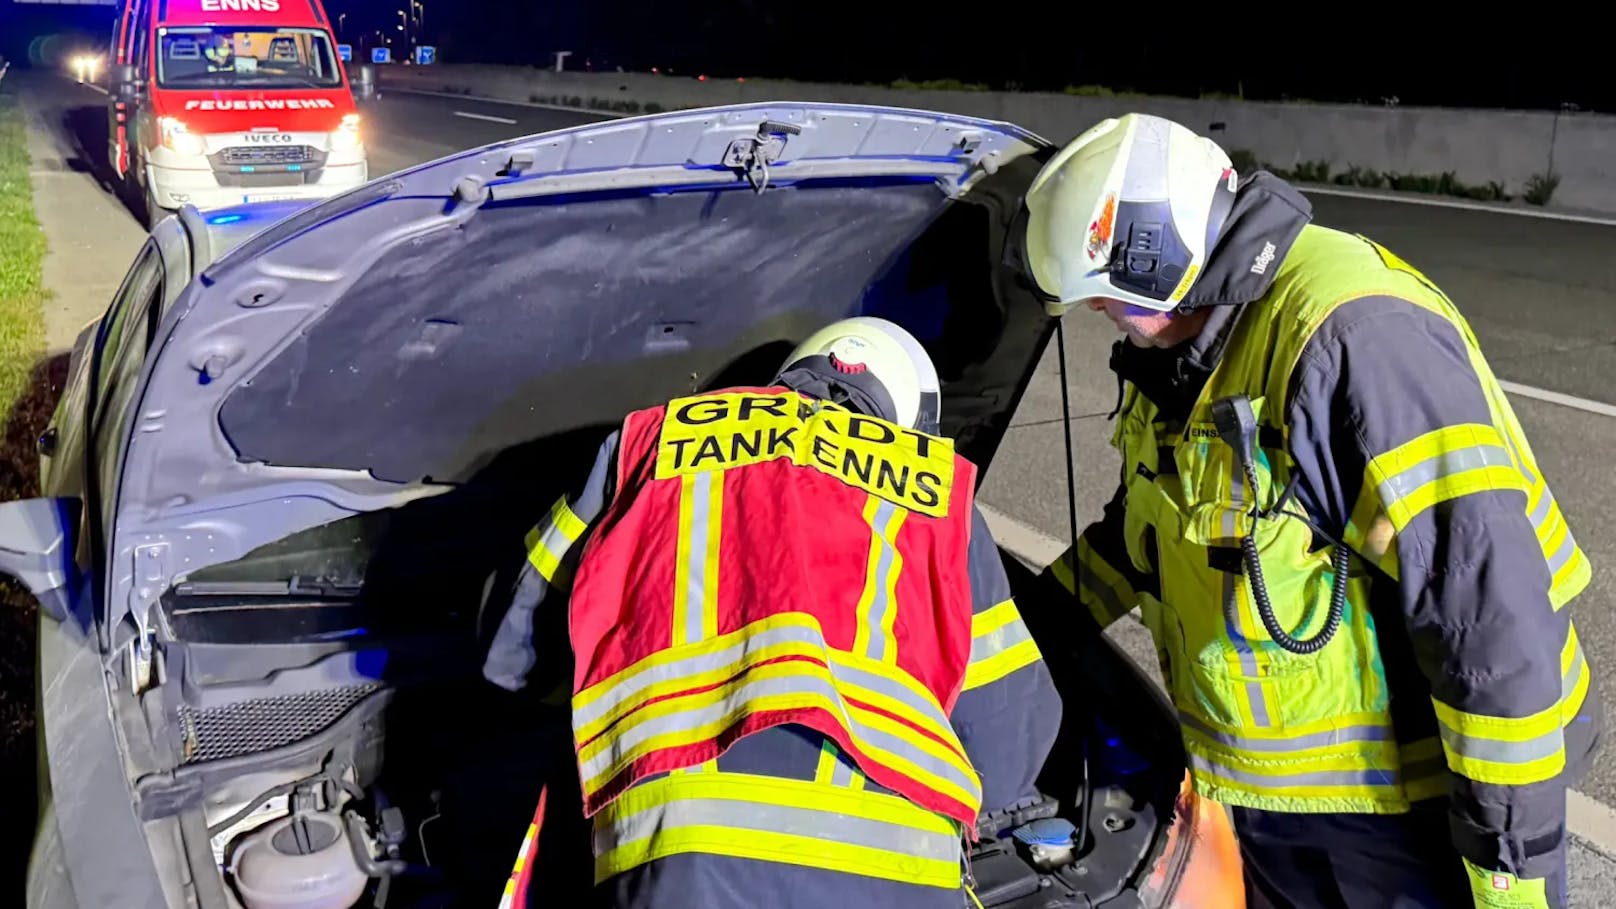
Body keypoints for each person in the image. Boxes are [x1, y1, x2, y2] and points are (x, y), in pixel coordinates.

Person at [1018, 113, 1602, 909]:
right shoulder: (1187, 350)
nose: (1097, 316)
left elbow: (1486, 611)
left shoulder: (1353, 336)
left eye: (1101, 294)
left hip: (1418, 816)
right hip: (1279, 809)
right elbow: (1144, 536)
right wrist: (1015, 628)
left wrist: (1509, 863)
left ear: (1156, 257)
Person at [482, 316, 1063, 908]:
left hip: (683, 858)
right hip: (894, 877)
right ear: (912, 427)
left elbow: (514, 653)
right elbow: (1012, 745)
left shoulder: (646, 442)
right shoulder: (941, 498)